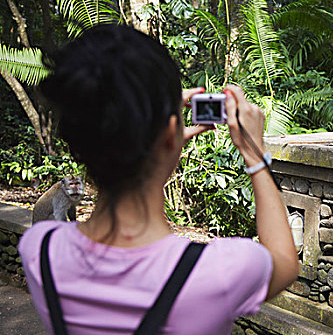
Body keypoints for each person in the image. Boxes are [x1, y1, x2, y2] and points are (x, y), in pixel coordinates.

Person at [18, 25, 298, 334]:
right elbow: (284, 260)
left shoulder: (40, 250)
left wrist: (161, 135)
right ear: (168, 135)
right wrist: (253, 153)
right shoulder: (216, 272)